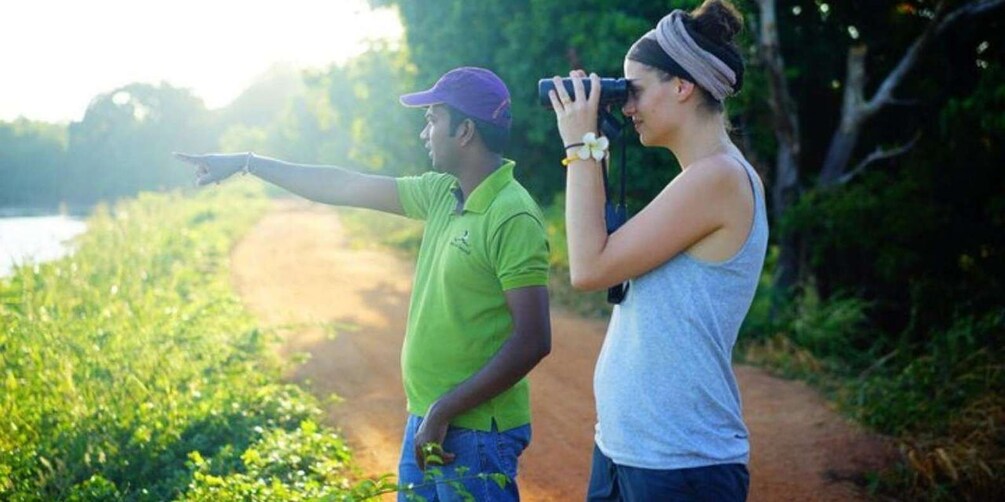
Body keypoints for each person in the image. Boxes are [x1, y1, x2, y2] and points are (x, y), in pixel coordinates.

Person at [176, 67, 552, 501]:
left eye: (432, 120)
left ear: (465, 131)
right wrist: (247, 163)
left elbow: (533, 341)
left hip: (476, 433)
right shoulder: (442, 193)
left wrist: (444, 410)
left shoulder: (512, 214)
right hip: (430, 418)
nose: (423, 133)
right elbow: (344, 184)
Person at [546, 1, 765, 500]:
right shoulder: (703, 179)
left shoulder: (719, 179)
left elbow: (588, 266)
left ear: (683, 86)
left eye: (634, 90)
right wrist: (588, 143)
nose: (627, 107)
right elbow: (600, 253)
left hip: (679, 465)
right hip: (633, 452)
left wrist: (581, 144)